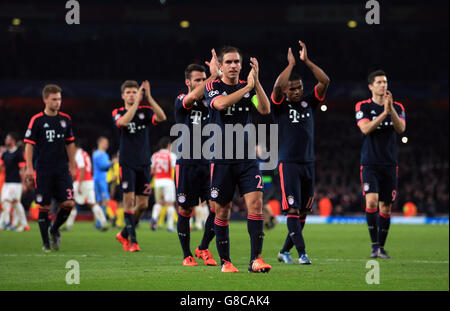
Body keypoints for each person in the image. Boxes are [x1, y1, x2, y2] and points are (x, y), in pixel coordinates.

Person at [205, 46, 272, 273]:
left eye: (237, 62)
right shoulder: (212, 86)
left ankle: (256, 259)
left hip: (246, 158)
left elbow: (264, 109)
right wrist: (247, 88)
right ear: (221, 66)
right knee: (222, 211)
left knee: (256, 204)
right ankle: (226, 262)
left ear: (242, 66)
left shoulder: (249, 88)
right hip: (222, 158)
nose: (233, 65)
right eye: (229, 62)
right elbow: (221, 104)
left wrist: (257, 83)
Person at [271, 41, 330, 265]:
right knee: (293, 208)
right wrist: (291, 65)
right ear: (287, 90)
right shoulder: (279, 106)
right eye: (292, 88)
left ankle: (284, 251)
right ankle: (302, 253)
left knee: (304, 211)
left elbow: (325, 81)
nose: (297, 91)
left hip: (308, 163)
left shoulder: (309, 103)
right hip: (288, 163)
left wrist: (306, 62)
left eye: (299, 88)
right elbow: (276, 87)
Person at [173, 52, 220, 266]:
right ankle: (186, 255)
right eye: (198, 80)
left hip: (209, 162)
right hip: (187, 163)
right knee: (185, 209)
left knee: (217, 207)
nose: (202, 83)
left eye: (204, 79)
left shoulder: (212, 102)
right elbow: (192, 97)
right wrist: (213, 77)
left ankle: (202, 248)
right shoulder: (182, 100)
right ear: (188, 82)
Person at [355, 69, 406, 259]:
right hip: (369, 163)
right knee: (371, 201)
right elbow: (366, 128)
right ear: (370, 86)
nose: (383, 85)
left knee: (386, 207)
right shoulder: (363, 106)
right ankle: (374, 245)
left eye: (385, 82)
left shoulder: (398, 107)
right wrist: (383, 114)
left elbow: (401, 129)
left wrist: (390, 109)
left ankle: (381, 248)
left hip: (390, 163)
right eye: (379, 82)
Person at [113, 80, 166, 252]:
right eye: (128, 92)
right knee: (128, 202)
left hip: (143, 162)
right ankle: (132, 241)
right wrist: (136, 103)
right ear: (123, 95)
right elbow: (122, 123)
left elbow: (162, 117)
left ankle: (123, 234)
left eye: (134, 92)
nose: (131, 95)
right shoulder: (118, 112)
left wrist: (149, 98)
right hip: (126, 162)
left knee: (143, 205)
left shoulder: (145, 111)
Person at [23, 84, 77, 252]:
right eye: (54, 99)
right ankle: (46, 244)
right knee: (44, 206)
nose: (58, 102)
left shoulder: (65, 119)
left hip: (61, 169)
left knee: (69, 203)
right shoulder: (37, 120)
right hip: (44, 170)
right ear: (45, 99)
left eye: (59, 99)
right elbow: (29, 145)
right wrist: (29, 168)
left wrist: (73, 165)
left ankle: (54, 229)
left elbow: (70, 143)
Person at [65, 141, 109, 231]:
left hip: (82, 181)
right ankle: (104, 223)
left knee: (71, 202)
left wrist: (80, 184)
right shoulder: (84, 153)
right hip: (89, 181)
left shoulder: (78, 154)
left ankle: (68, 225)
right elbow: (89, 167)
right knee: (92, 203)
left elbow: (82, 169)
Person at [0, 133, 29, 231]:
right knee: (16, 204)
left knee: (5, 200)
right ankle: (25, 225)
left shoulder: (18, 153)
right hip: (7, 182)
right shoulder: (5, 154)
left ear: (13, 141)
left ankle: (3, 223)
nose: (5, 140)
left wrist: (24, 183)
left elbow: (22, 169)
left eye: (7, 138)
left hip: (16, 183)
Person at [150, 137, 177, 232]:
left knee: (158, 203)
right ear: (168, 145)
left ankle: (154, 218)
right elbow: (174, 169)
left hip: (157, 182)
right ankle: (170, 226)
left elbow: (152, 171)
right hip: (168, 181)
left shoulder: (155, 155)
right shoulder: (171, 155)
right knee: (170, 204)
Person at [92, 136, 114, 221]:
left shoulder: (95, 154)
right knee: (105, 200)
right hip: (102, 179)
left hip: (95, 178)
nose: (107, 145)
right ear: (100, 143)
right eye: (105, 143)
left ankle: (98, 222)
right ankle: (102, 221)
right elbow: (104, 166)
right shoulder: (103, 154)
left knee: (98, 201)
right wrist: (112, 162)